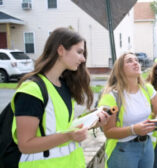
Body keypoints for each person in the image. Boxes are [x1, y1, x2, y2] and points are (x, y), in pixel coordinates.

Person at [11, 27, 111, 168]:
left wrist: (91, 122)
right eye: (79, 52)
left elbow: (62, 128)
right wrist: (69, 136)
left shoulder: (63, 85)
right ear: (61, 50)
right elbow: (25, 145)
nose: (83, 59)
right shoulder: (32, 90)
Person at [98, 52, 157, 168]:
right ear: (120, 69)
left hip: (147, 146)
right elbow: (109, 132)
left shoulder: (147, 89)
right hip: (123, 150)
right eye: (129, 61)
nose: (135, 62)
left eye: (136, 60)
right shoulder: (111, 96)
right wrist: (133, 130)